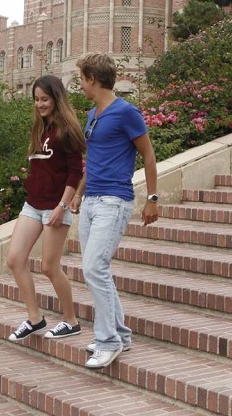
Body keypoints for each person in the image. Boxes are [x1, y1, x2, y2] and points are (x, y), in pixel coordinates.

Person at [69, 52, 159, 369]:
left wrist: (153, 198)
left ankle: (107, 342)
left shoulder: (126, 112)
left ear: (93, 79)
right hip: (92, 200)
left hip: (114, 200)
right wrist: (79, 194)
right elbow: (92, 162)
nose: (79, 85)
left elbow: (148, 156)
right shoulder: (93, 114)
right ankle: (119, 333)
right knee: (96, 269)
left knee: (94, 268)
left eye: (81, 79)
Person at [6, 75, 85, 342]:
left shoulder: (66, 130)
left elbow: (75, 172)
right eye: (36, 99)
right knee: (15, 259)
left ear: (56, 99)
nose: (39, 104)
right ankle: (34, 318)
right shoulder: (38, 129)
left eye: (45, 99)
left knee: (50, 267)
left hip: (55, 206)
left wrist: (63, 206)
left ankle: (71, 321)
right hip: (33, 204)